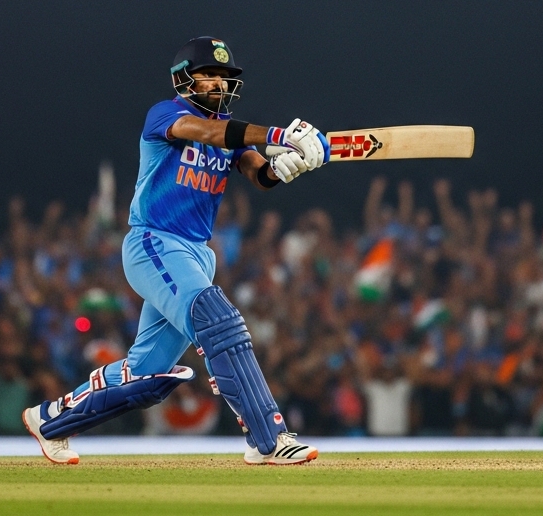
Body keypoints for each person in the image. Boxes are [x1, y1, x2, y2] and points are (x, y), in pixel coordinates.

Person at [23, 37, 327, 465]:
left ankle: (50, 420)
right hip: (154, 242)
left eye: (225, 78)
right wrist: (278, 134)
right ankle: (269, 439)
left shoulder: (231, 132)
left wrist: (284, 165)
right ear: (184, 78)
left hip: (197, 253)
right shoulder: (166, 114)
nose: (220, 85)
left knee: (145, 375)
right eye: (210, 75)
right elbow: (207, 133)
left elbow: (258, 172)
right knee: (216, 319)